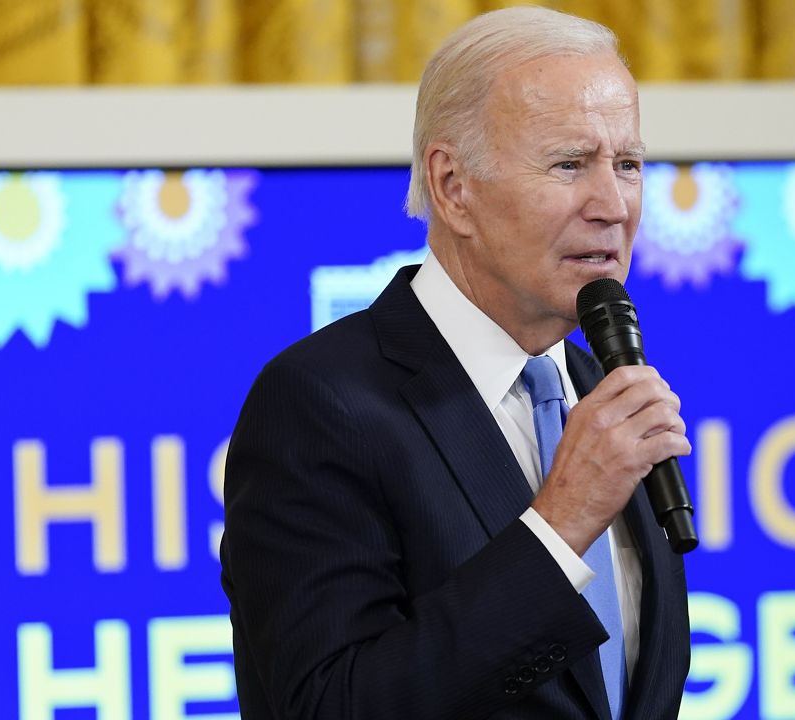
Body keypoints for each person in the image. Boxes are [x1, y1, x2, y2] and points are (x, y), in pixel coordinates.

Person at [221, 6, 692, 719]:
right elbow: (331, 705)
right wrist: (560, 524)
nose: (613, 205)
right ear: (452, 186)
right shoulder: (320, 403)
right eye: (570, 163)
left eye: (627, 164)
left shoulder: (597, 393)